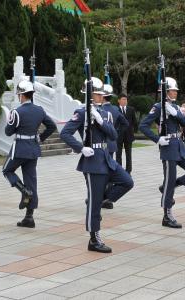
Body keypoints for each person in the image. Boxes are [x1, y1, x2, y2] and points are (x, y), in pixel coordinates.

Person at [60, 77, 133, 253]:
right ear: (90, 95)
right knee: (94, 202)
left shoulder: (104, 113)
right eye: (98, 94)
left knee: (127, 182)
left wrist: (100, 121)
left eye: (101, 94)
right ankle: (94, 238)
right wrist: (80, 148)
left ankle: (99, 200)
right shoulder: (81, 113)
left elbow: (114, 134)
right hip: (92, 160)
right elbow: (65, 133)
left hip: (106, 157)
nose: (102, 97)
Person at [139, 77, 185, 229]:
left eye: (175, 90)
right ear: (165, 92)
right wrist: (157, 139)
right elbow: (143, 125)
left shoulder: (175, 107)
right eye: (173, 90)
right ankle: (167, 215)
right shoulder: (158, 107)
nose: (175, 93)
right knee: (170, 178)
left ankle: (170, 186)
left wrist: (176, 114)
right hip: (167, 147)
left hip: (179, 146)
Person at [2, 80, 57, 228]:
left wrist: (11, 121)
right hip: (33, 149)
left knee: (6, 170)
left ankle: (23, 190)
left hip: (20, 149)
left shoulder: (17, 112)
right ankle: (29, 217)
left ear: (21, 95)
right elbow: (52, 126)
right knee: (31, 181)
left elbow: (8, 132)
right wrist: (40, 138)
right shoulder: (39, 110)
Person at [101, 84, 129, 209]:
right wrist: (116, 132)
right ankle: (108, 199)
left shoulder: (98, 110)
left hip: (100, 145)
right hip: (111, 143)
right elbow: (125, 123)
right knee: (110, 170)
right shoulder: (115, 109)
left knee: (101, 171)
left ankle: (101, 197)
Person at [116, 94, 137, 175]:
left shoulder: (131, 109)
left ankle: (128, 171)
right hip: (118, 136)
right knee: (118, 154)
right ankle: (119, 171)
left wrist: (134, 132)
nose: (125, 101)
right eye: (123, 99)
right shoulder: (116, 110)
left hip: (129, 135)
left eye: (126, 99)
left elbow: (134, 122)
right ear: (119, 100)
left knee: (128, 154)